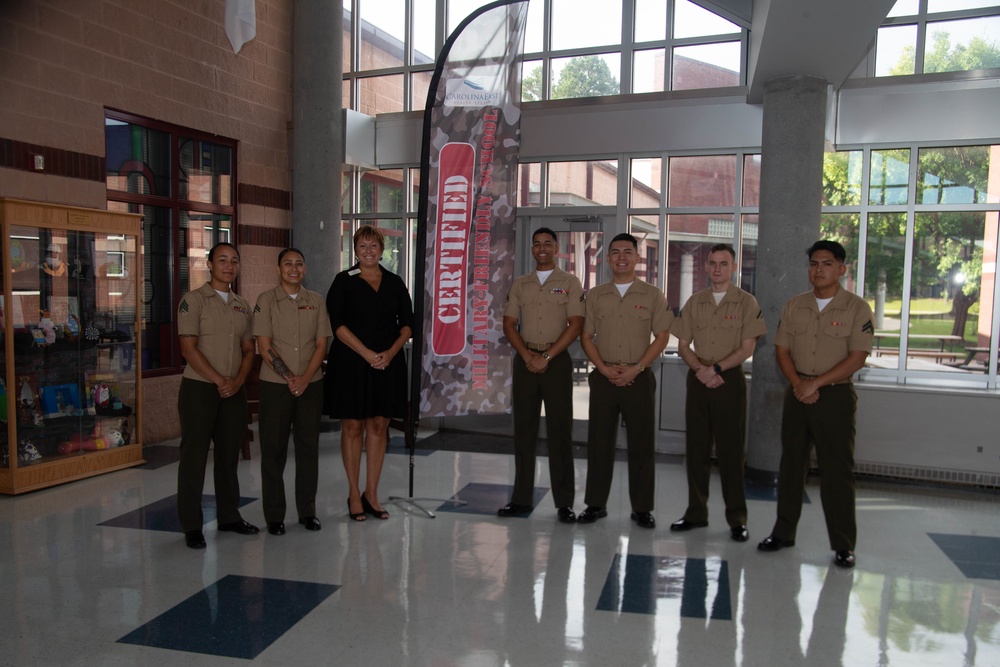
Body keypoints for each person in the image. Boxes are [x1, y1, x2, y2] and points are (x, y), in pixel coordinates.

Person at [757, 240, 874, 569]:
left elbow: (857, 357)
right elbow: (781, 351)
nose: (818, 269)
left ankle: (843, 544)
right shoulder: (795, 305)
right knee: (791, 466)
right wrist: (798, 384)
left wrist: (815, 384)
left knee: (837, 471)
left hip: (833, 395)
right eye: (813, 264)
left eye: (826, 263)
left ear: (841, 269)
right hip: (797, 393)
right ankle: (783, 533)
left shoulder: (856, 308)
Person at [670, 244, 766, 542]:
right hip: (698, 379)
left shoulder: (746, 302)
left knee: (730, 452)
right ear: (706, 266)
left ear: (733, 267)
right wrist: (701, 369)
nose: (717, 269)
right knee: (696, 450)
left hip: (729, 382)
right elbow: (683, 345)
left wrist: (717, 369)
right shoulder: (695, 302)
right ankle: (696, 513)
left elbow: (748, 347)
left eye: (724, 264)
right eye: (712, 263)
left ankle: (737, 518)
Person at [578, 233, 673, 529]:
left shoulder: (652, 295)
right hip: (604, 378)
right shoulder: (595, 295)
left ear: (637, 257)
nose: (621, 257)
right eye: (615, 252)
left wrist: (638, 367)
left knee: (642, 445)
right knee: (599, 443)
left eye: (627, 252)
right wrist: (603, 368)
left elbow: (662, 336)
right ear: (607, 259)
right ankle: (595, 504)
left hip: (639, 378)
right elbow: (585, 336)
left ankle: (642, 508)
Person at [325, 226, 413, 522]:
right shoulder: (343, 281)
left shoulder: (394, 282)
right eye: (362, 245)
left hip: (387, 364)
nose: (368, 250)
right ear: (354, 249)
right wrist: (365, 353)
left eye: (374, 245)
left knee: (378, 425)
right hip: (351, 363)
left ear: (382, 249)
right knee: (352, 427)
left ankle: (371, 493)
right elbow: (336, 324)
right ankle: (353, 493)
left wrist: (389, 353)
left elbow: (408, 323)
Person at [497, 228, 585, 523]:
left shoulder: (570, 283)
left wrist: (546, 357)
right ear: (532, 249)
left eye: (548, 243)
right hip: (525, 361)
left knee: (560, 433)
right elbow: (509, 324)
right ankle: (520, 499)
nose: (543, 248)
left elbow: (575, 325)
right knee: (524, 433)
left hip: (556, 362)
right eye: (537, 244)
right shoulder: (521, 284)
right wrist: (528, 356)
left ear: (557, 248)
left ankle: (564, 503)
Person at [176, 242, 259, 549]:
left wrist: (236, 381)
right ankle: (191, 525)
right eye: (222, 260)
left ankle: (228, 516)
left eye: (234, 261)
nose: (228, 265)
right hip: (200, 388)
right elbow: (188, 348)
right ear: (210, 264)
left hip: (233, 391)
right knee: (194, 457)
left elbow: (249, 350)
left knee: (228, 458)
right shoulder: (193, 300)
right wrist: (218, 380)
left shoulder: (242, 305)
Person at [253, 248, 332, 535]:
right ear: (279, 269)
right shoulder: (266, 301)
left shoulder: (316, 301)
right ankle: (275, 516)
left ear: (305, 269)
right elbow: (264, 347)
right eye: (288, 264)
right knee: (273, 451)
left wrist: (305, 378)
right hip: (276, 386)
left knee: (309, 449)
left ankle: (307, 512)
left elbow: (322, 345)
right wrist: (290, 378)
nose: (294, 268)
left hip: (311, 386)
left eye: (299, 263)